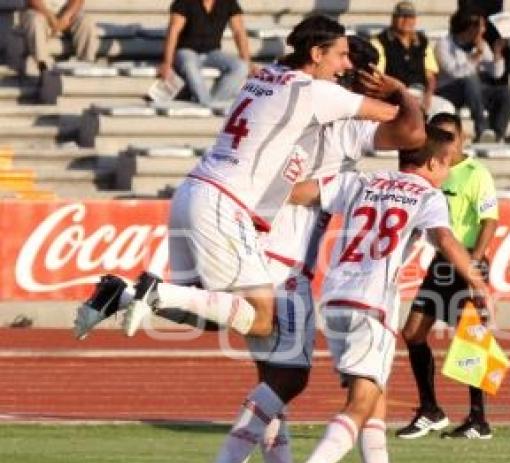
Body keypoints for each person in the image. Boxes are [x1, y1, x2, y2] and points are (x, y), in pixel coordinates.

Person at [194, 36, 427, 463]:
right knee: (288, 377)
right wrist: (399, 91)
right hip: (283, 263)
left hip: (251, 243)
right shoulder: (339, 127)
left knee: (275, 384)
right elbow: (411, 134)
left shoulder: (281, 96)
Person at [74, 16, 398, 345]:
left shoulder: (268, 73)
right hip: (223, 203)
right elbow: (396, 120)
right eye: (340, 55)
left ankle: (122, 294)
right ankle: (154, 291)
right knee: (260, 318)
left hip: (193, 190)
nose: (344, 64)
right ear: (316, 53)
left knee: (207, 314)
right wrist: (396, 89)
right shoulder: (315, 91)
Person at [279, 124, 490, 463]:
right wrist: (477, 282)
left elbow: (299, 193)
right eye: (446, 164)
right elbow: (445, 241)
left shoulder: (364, 180)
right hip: (372, 303)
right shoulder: (427, 194)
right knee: (360, 403)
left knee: (375, 398)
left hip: (335, 297)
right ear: (432, 163)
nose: (447, 172)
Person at [396, 112, 499, 440]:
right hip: (442, 262)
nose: (446, 142)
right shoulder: (431, 171)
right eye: (439, 135)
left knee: (473, 339)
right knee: (412, 332)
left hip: (467, 259)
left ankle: (478, 419)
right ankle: (430, 409)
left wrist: (475, 264)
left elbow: (489, 220)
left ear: (462, 137)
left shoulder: (475, 173)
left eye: (450, 136)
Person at [435, 10, 510, 142]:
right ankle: (481, 127)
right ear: (470, 28)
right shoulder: (444, 44)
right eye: (481, 27)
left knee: (506, 93)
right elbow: (455, 73)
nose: (483, 31)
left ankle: (496, 135)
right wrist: (476, 56)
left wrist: (497, 55)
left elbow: (496, 74)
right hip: (449, 90)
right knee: (471, 80)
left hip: (473, 91)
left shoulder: (481, 45)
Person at [159, 0, 253, 107]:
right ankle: (208, 104)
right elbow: (173, 31)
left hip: (213, 52)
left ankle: (209, 103)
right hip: (186, 50)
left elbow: (239, 32)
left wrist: (248, 62)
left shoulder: (229, 2)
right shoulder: (184, 2)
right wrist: (167, 62)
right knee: (189, 64)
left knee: (241, 66)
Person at [371, 1, 453, 116]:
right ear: (393, 18)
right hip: (394, 94)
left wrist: (427, 96)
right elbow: (378, 76)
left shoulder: (422, 41)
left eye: (410, 16)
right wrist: (400, 93)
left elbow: (431, 76)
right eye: (402, 16)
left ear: (415, 20)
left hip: (420, 93)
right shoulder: (380, 41)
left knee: (445, 108)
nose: (406, 20)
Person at [21, 0, 98, 76]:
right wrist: (49, 16)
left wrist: (67, 16)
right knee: (35, 22)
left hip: (65, 11)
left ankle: (85, 66)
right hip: (39, 10)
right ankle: (43, 69)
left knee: (86, 22)